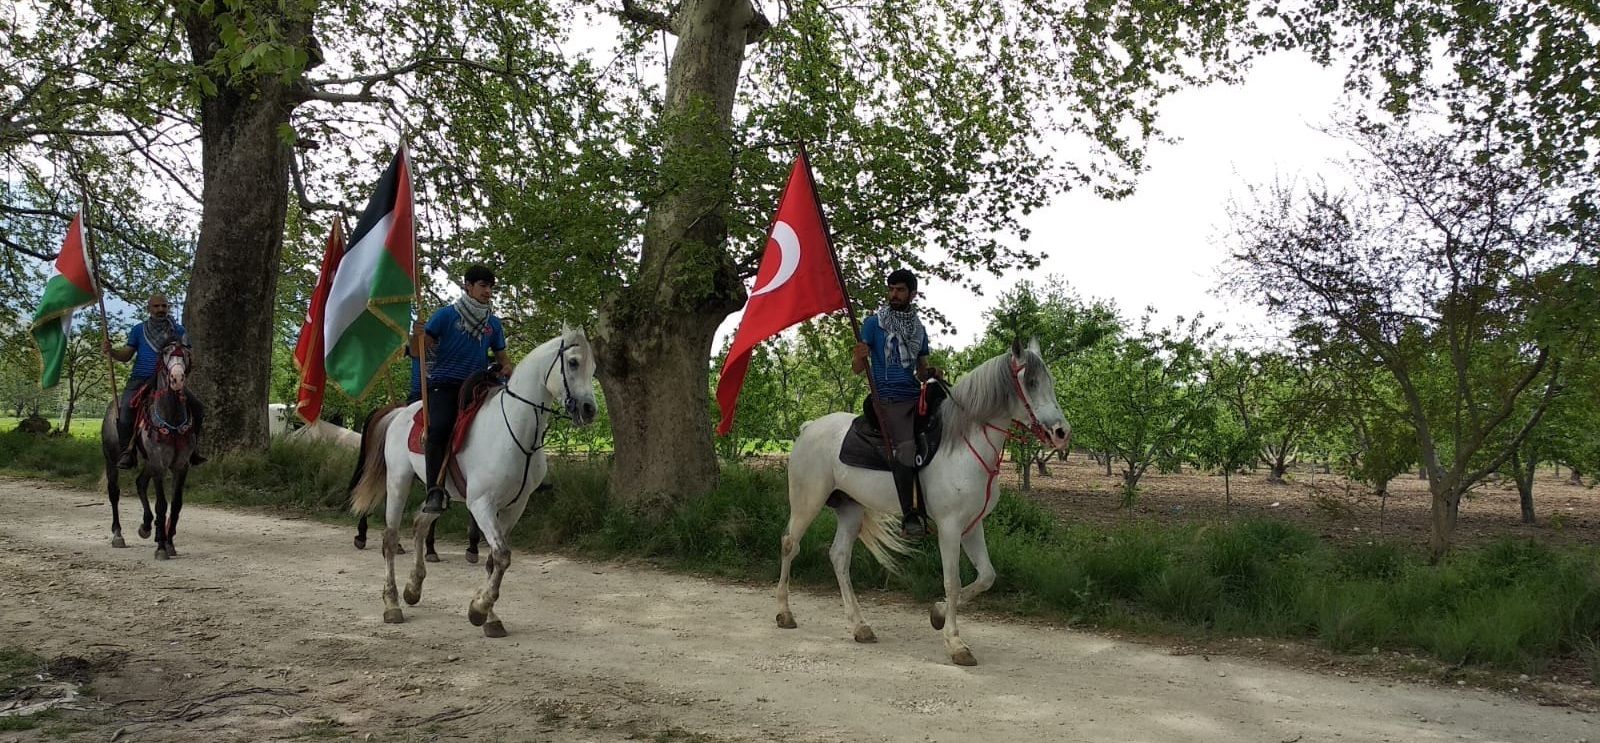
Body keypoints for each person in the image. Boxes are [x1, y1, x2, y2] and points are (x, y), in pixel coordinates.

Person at [412, 264, 510, 514]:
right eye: (483, 286)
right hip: (444, 384)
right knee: (440, 428)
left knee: (506, 421)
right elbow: (417, 352)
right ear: (468, 286)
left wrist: (510, 370)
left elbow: (503, 359)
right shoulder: (446, 316)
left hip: (478, 386)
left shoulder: (494, 325)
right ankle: (434, 490)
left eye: (491, 287)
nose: (488, 292)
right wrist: (418, 336)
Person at [853, 268, 942, 538]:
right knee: (905, 448)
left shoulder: (918, 329)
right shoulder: (873, 324)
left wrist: (930, 374)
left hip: (912, 395)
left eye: (900, 290)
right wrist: (859, 356)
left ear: (912, 294)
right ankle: (911, 515)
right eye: (891, 289)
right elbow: (857, 368)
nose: (894, 294)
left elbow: (920, 371)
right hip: (887, 397)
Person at [104, 294, 206, 469]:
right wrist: (111, 351)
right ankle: (127, 452)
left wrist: (185, 365)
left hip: (169, 381)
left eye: (164, 306)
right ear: (149, 309)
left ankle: (192, 450)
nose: (160, 309)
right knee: (127, 407)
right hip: (141, 378)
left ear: (168, 307)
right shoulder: (138, 330)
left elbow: (189, 355)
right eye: (156, 306)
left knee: (198, 407)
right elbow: (126, 356)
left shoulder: (179, 331)